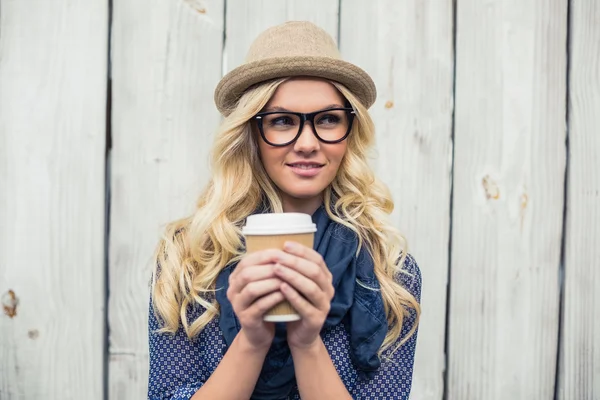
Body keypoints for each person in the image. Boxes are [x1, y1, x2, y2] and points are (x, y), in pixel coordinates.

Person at [148, 21, 421, 400]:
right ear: (251, 134)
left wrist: (307, 342)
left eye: (327, 119)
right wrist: (253, 341)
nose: (307, 143)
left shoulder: (391, 274)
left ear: (349, 131)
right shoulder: (188, 258)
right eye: (281, 121)